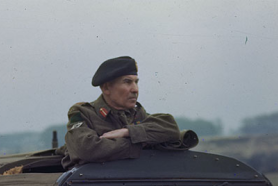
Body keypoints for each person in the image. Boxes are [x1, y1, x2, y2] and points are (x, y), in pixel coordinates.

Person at [61, 56, 193, 169]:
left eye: (136, 82)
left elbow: (171, 129)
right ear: (106, 88)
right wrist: (142, 142)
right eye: (127, 82)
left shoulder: (138, 114)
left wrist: (127, 132)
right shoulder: (83, 113)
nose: (135, 89)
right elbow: (86, 150)